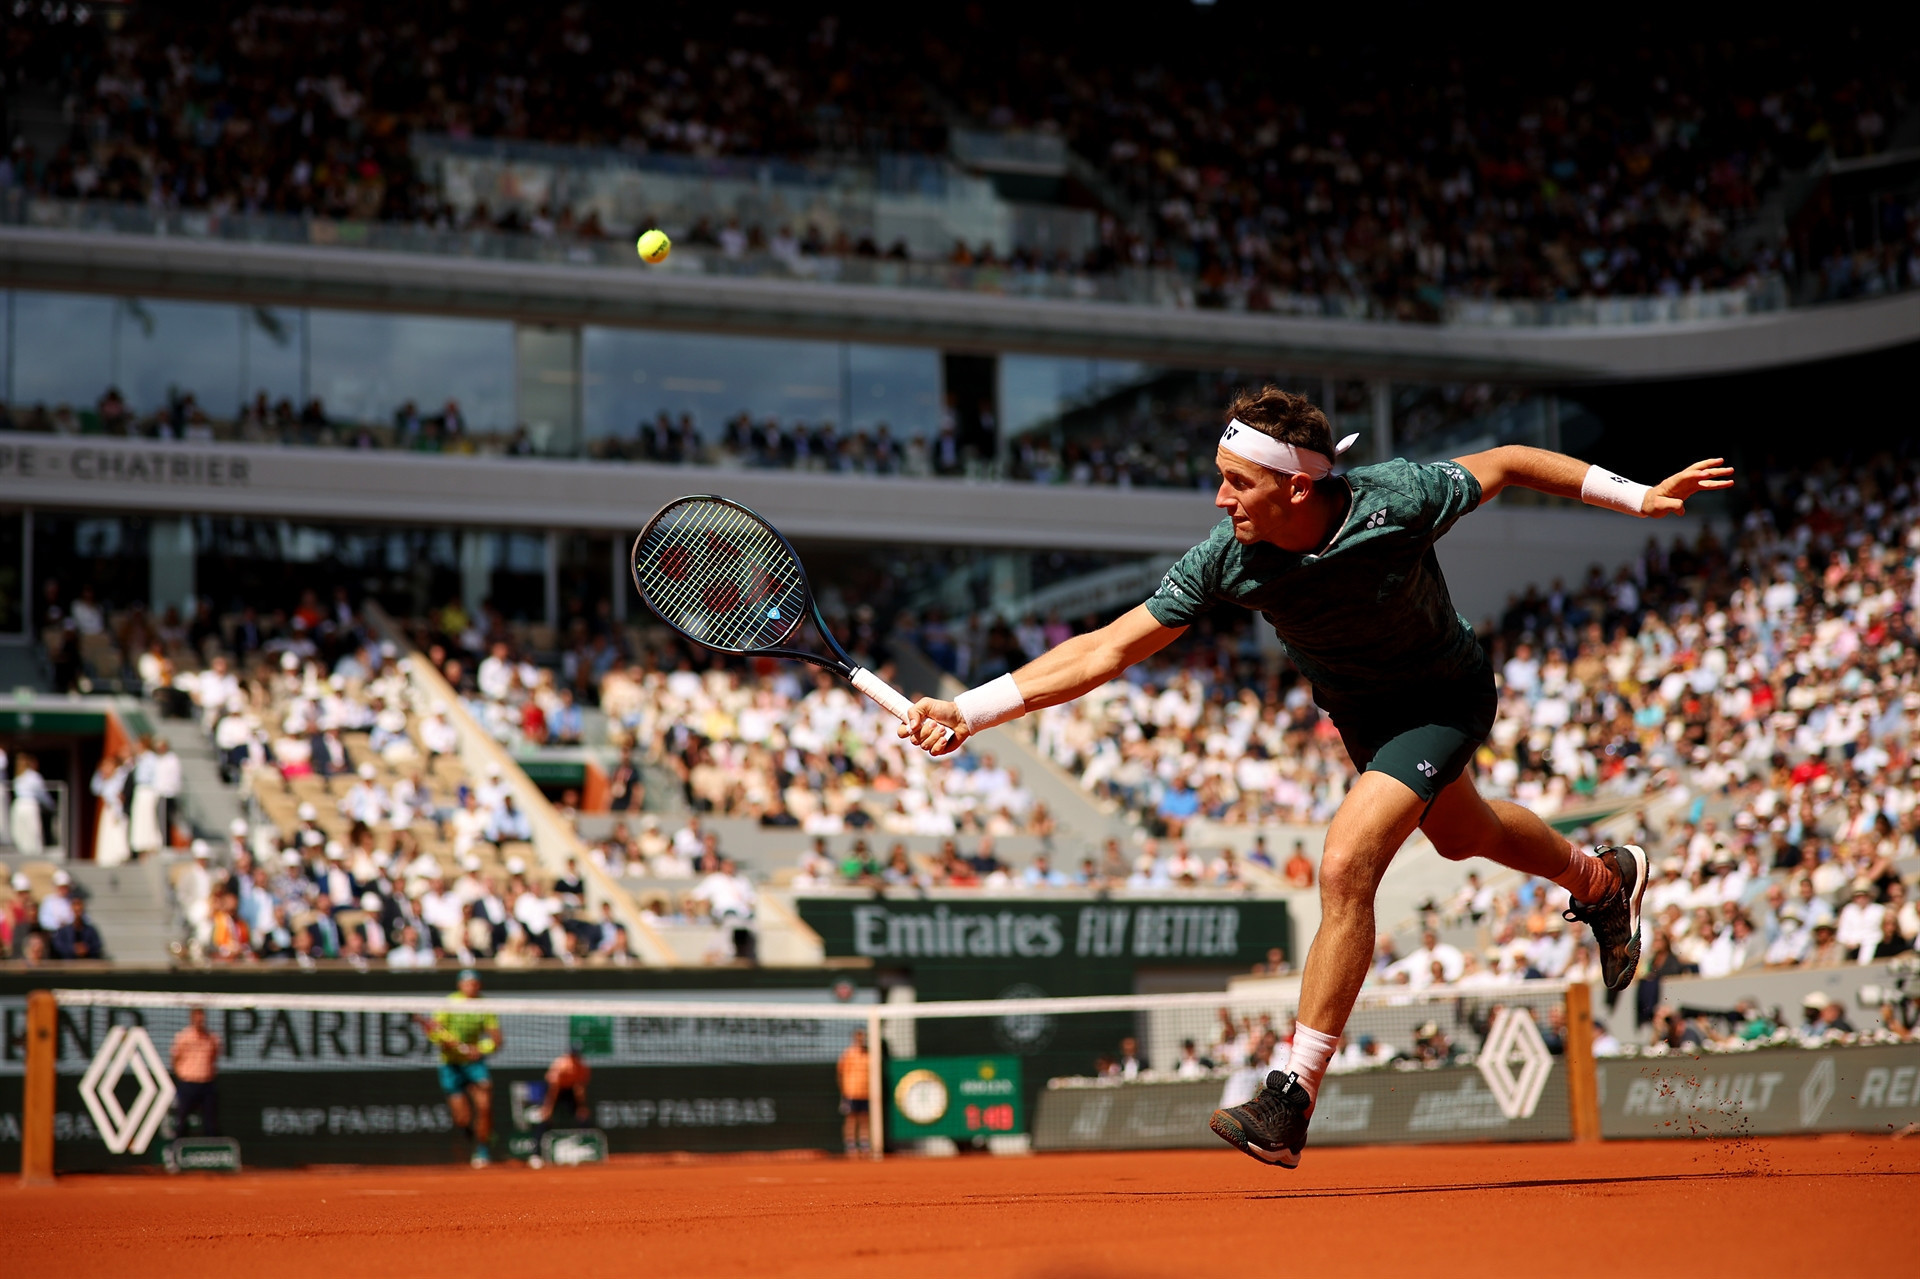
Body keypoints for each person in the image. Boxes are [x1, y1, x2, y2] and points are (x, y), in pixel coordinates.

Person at [903, 385, 1731, 1170]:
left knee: (1344, 862)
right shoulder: (1225, 559)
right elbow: (1105, 649)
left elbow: (1510, 459)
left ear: (1297, 489)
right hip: (1364, 718)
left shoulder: (1396, 499)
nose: (1221, 500)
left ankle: (1291, 1097)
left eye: (1237, 483)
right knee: (1461, 834)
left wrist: (1638, 496)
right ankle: (1601, 876)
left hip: (1442, 696)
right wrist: (968, 711)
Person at [422, 969, 503, 1168]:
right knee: (462, 1118)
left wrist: (480, 1049)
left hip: (475, 1063)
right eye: (467, 983)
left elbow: (497, 1040)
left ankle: (482, 1149)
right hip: (451, 1064)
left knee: (484, 1103)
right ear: (460, 985)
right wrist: (445, 1042)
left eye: (475, 983)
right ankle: (472, 1135)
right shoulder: (449, 1004)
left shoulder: (485, 1007)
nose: (471, 986)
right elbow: (434, 1032)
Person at [527, 1042, 592, 1169]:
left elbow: (579, 1089)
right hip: (554, 1092)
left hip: (569, 1091)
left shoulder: (583, 1068)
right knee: (544, 1120)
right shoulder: (561, 1065)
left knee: (583, 1118)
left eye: (577, 1055)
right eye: (573, 1054)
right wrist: (548, 1108)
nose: (574, 1057)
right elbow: (554, 1089)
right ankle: (535, 1155)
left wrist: (581, 1107)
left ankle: (586, 1151)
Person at [170, 1006, 221, 1137]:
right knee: (181, 1120)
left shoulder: (212, 1038)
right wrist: (182, 1074)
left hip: (207, 1085)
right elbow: (175, 1058)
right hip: (188, 1084)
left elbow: (215, 1056)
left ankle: (212, 1151)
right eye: (197, 1016)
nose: (200, 1019)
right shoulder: (183, 1037)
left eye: (202, 1016)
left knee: (211, 1121)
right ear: (192, 1017)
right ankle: (177, 1149)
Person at [837, 1027, 872, 1159]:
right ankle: (851, 1147)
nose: (861, 1039)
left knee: (864, 1120)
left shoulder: (869, 1054)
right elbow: (840, 1073)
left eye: (863, 1036)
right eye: (859, 1037)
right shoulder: (849, 1054)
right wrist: (844, 1093)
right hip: (851, 1093)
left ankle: (864, 1146)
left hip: (866, 1093)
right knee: (851, 1120)